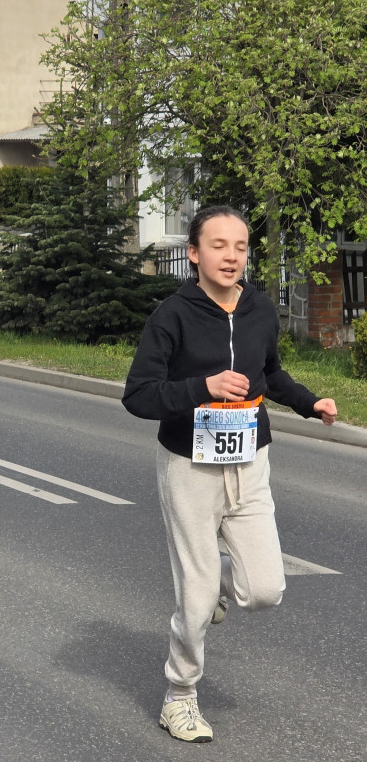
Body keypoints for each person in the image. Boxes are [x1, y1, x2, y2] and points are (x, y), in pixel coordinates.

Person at [122, 205, 338, 744]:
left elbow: (272, 373)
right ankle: (180, 696)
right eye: (218, 245)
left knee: (265, 590)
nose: (231, 256)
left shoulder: (260, 309)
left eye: (240, 247)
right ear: (194, 254)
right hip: (189, 467)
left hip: (249, 462)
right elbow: (139, 396)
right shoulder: (171, 316)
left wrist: (311, 404)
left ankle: (223, 575)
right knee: (194, 600)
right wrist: (203, 388)